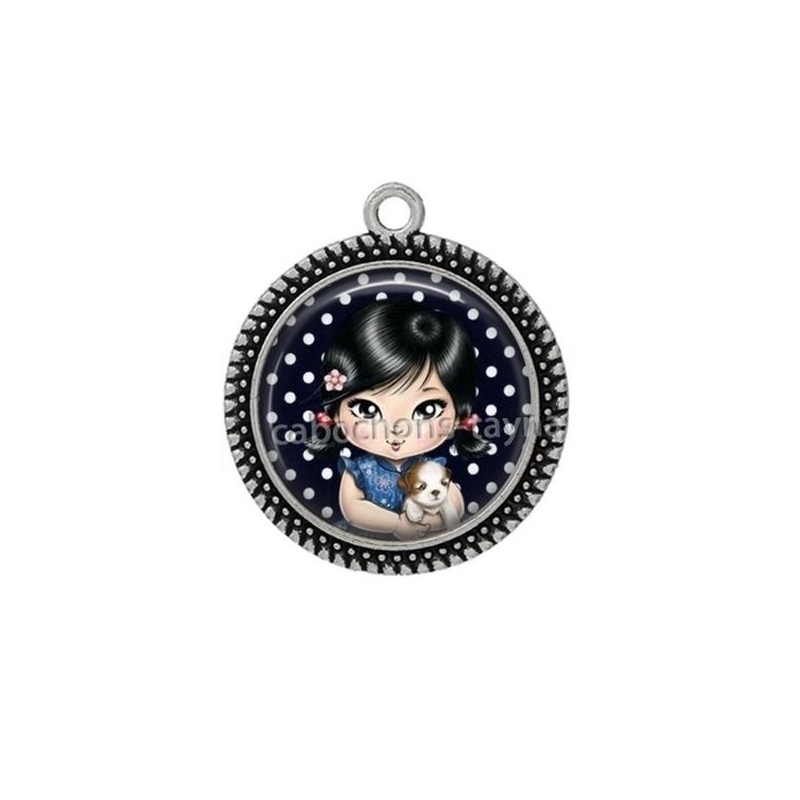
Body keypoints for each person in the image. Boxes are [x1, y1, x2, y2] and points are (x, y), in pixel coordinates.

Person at [308, 300, 488, 540]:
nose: (396, 429)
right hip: (362, 544)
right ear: (336, 413)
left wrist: (432, 523)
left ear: (458, 416)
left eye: (427, 410)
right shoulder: (359, 470)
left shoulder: (431, 468)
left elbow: (454, 502)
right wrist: (396, 525)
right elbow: (352, 509)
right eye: (367, 409)